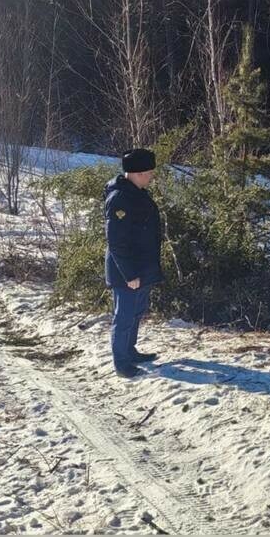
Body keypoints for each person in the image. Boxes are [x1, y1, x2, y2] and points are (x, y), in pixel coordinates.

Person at [104, 148, 164, 378]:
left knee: (136, 312)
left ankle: (130, 351)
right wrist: (129, 275)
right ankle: (122, 363)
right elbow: (116, 242)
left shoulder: (137, 192)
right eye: (149, 172)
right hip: (126, 272)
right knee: (124, 316)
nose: (151, 176)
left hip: (141, 268)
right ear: (137, 173)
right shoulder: (119, 198)